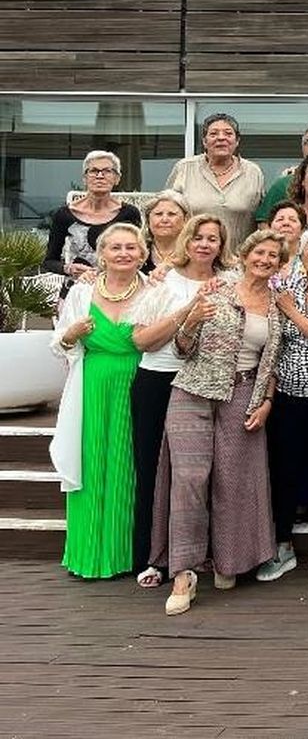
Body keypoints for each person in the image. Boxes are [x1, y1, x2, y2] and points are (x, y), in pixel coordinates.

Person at [149, 229, 287, 616]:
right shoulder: (216, 290)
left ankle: (230, 563)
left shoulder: (277, 304)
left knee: (233, 480)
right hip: (193, 390)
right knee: (190, 480)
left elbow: (271, 361)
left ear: (279, 265)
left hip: (244, 395)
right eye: (259, 252)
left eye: (273, 256)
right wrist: (191, 319)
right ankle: (183, 574)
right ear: (244, 255)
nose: (264, 260)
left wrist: (267, 402)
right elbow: (181, 347)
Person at [129, 210, 228, 588]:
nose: (204, 244)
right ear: (187, 240)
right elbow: (141, 340)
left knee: (196, 476)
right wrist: (187, 312)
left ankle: (199, 554)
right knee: (153, 470)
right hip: (159, 379)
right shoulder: (162, 281)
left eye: (212, 239)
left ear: (221, 246)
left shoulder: (227, 282)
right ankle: (153, 557)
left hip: (204, 384)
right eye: (198, 237)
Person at [51, 223, 154, 579]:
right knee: (91, 461)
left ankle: (124, 555)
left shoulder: (153, 291)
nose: (124, 253)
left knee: (128, 466)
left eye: (131, 247)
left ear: (142, 254)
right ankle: (88, 555)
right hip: (92, 385)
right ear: (102, 253)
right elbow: (59, 345)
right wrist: (70, 334)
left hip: (137, 383)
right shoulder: (81, 293)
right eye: (116, 247)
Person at [255, 225, 308, 585]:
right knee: (284, 471)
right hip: (287, 397)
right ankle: (283, 544)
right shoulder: (285, 288)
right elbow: (275, 346)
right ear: (301, 255)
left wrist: (289, 310)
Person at [42, 150, 143, 292]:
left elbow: (139, 255)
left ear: (117, 178)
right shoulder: (64, 214)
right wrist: (69, 268)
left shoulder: (129, 214)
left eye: (107, 171)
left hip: (118, 291)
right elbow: (49, 261)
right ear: (84, 178)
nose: (100, 176)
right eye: (94, 171)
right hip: (77, 290)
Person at [141, 189, 190, 272]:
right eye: (158, 214)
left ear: (185, 220)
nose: (164, 220)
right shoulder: (138, 252)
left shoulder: (193, 254)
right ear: (148, 220)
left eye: (172, 214)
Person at [265, 202, 306, 266]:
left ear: (302, 230)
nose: (286, 223)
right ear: (269, 228)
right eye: (280, 219)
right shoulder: (261, 258)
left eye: (292, 220)